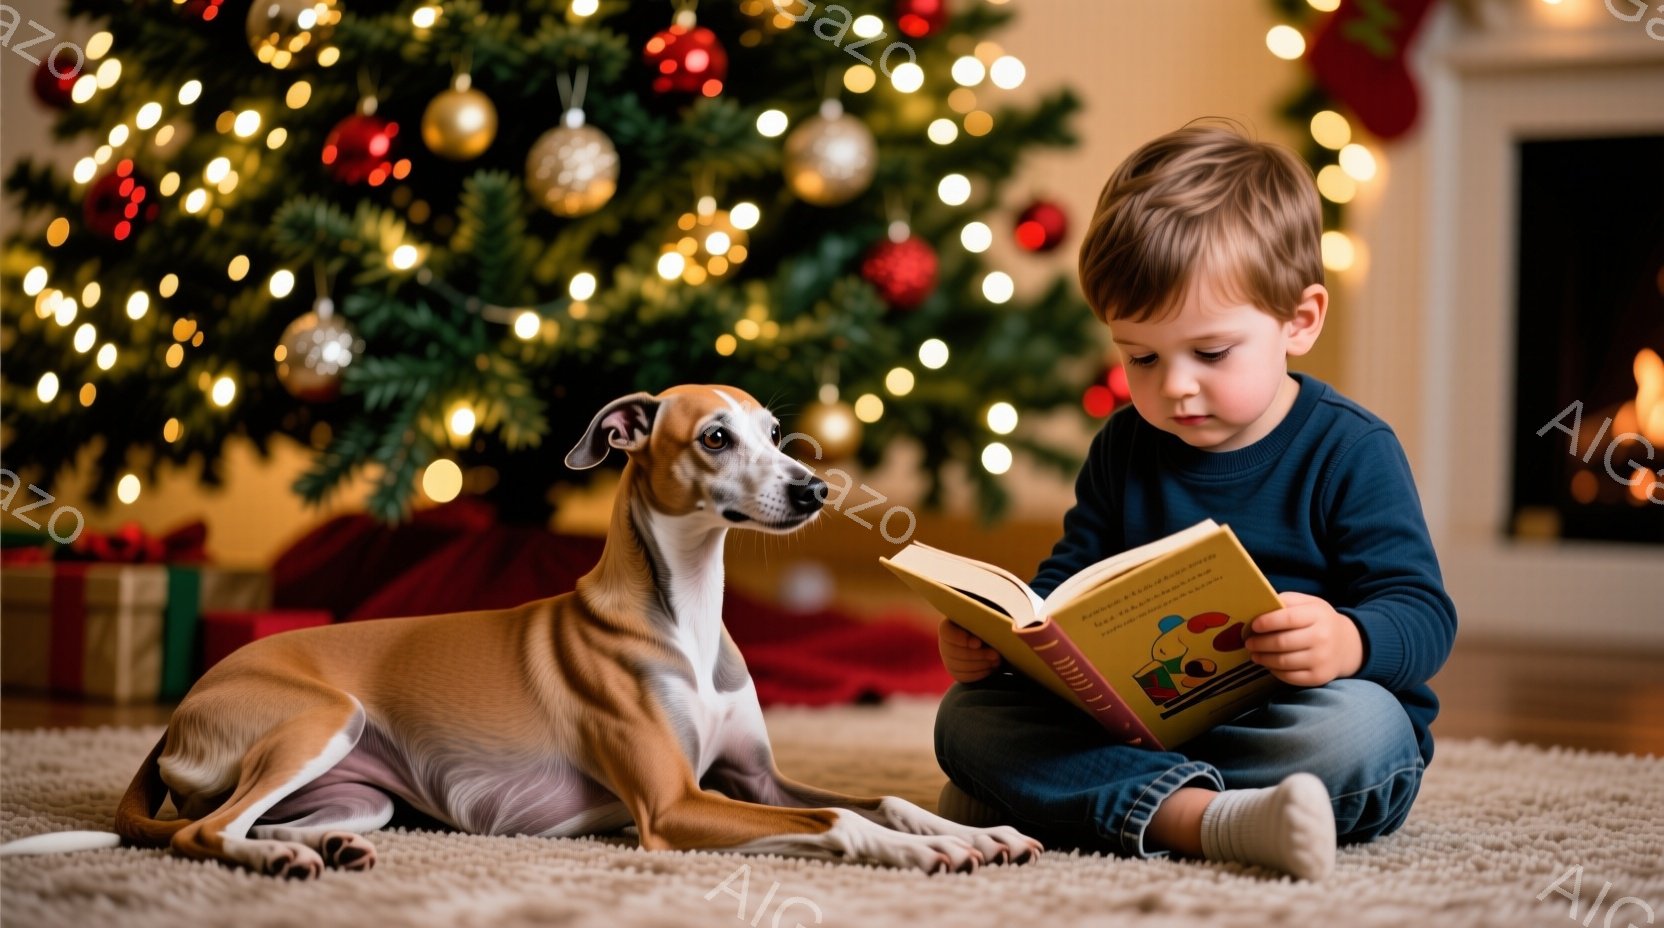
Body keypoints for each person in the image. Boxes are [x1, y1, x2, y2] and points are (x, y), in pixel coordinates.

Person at [932, 121, 1458, 881]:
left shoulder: (1351, 448)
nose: (1173, 385)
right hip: (1141, 727)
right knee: (965, 720)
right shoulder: (1124, 446)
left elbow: (1423, 611)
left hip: (1286, 729)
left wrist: (1349, 640)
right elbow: (1069, 579)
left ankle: (1071, 799)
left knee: (1364, 733)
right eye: (1140, 356)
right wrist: (1004, 644)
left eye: (1210, 353)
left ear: (1298, 321)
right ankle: (1207, 820)